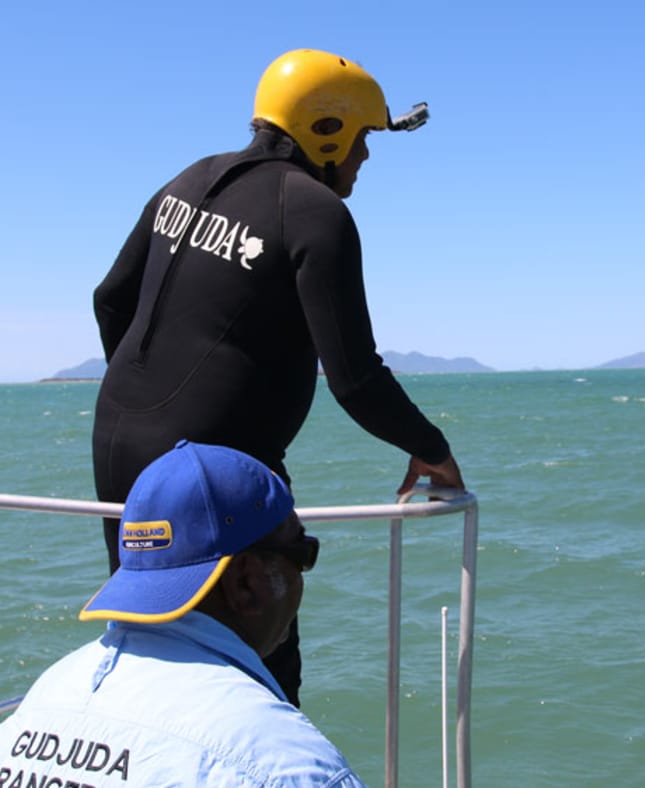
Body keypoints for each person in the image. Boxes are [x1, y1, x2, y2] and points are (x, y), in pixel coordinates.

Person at [90, 48, 464, 707]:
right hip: (216, 468)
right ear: (328, 130)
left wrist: (150, 402)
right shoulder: (315, 212)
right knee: (259, 667)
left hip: (119, 444)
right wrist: (432, 449)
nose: (366, 158)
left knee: (153, 645)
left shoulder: (188, 180)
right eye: (363, 138)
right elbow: (356, 378)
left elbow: (110, 299)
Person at [0, 441, 365, 787]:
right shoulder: (288, 764)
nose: (303, 573)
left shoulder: (44, 696)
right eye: (302, 554)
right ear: (246, 584)